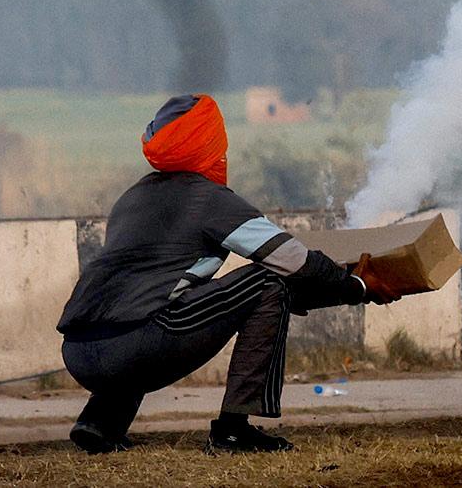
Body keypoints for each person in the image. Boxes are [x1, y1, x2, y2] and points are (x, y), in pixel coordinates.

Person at [57, 94, 399, 454]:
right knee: (267, 282)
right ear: (211, 147)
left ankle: (99, 422)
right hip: (136, 345)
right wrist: (356, 286)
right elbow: (291, 260)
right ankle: (234, 430)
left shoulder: (132, 198)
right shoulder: (210, 200)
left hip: (79, 350)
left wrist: (346, 290)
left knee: (149, 302)